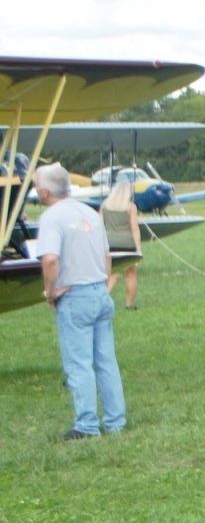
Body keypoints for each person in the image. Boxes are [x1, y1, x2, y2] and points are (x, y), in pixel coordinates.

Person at [34, 163, 127, 440]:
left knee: (78, 363)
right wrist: (102, 283)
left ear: (44, 191)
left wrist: (50, 292)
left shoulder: (51, 218)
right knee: (106, 361)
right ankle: (115, 421)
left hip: (74, 296)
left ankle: (86, 424)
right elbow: (107, 256)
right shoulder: (90, 212)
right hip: (99, 291)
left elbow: (50, 259)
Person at [101, 175, 143, 308]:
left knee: (111, 273)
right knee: (130, 274)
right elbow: (134, 228)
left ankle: (101, 298)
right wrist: (138, 248)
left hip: (109, 243)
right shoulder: (131, 207)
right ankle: (129, 304)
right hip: (127, 243)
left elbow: (98, 224)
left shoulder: (105, 206)